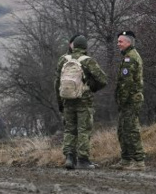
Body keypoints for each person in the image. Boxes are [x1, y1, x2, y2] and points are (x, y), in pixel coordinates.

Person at [55, 34, 107, 170]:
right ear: (85, 47)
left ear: (73, 46)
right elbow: (103, 80)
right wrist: (92, 86)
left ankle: (69, 158)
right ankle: (83, 160)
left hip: (67, 101)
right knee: (84, 129)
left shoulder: (62, 60)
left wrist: (60, 102)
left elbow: (57, 83)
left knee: (69, 130)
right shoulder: (88, 61)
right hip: (84, 101)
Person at [115, 30, 146, 170]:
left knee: (131, 129)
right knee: (122, 129)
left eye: (120, 41)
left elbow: (126, 83)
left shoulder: (130, 58)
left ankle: (139, 161)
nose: (118, 44)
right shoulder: (128, 56)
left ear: (128, 42)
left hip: (131, 100)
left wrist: (121, 100)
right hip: (128, 99)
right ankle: (125, 160)